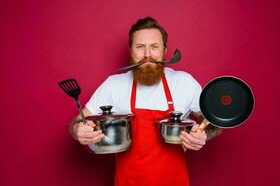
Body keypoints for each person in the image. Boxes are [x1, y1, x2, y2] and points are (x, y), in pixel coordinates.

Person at [69, 17, 222, 186]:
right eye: (140, 47)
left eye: (154, 47)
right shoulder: (114, 85)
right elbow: (78, 120)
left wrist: (202, 135)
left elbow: (213, 124)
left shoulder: (184, 82)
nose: (147, 54)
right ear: (131, 50)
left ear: (164, 50)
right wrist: (78, 130)